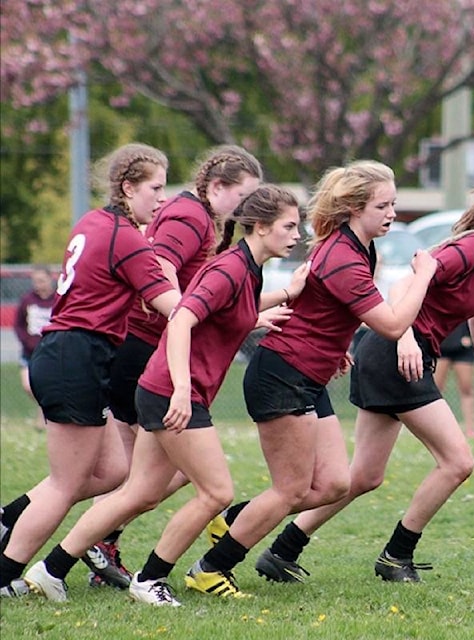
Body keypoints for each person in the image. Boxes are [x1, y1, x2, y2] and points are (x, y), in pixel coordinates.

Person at [20, 184, 307, 605]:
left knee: (139, 493)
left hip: (165, 388)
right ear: (261, 227)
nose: (297, 235)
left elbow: (219, 316)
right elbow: (180, 321)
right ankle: (150, 579)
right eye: (290, 226)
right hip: (173, 392)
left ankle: (51, 569)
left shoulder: (250, 268)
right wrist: (182, 389)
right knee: (217, 493)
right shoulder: (229, 268)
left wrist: (257, 317)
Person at [256, 178, 474, 584]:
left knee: (363, 477)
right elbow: (402, 284)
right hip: (393, 353)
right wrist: (407, 339)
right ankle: (397, 555)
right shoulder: (468, 250)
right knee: (458, 461)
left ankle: (282, 550)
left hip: (397, 356)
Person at [191, 160, 436, 589]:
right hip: (282, 375)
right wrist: (424, 277)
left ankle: (237, 520)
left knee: (335, 484)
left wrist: (337, 347)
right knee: (290, 490)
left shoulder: (359, 246)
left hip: (307, 376)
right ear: (356, 208)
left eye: (394, 203)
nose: (392, 213)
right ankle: (209, 570)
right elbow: (393, 325)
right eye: (383, 205)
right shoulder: (343, 255)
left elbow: (329, 310)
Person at [0, 143, 181, 599]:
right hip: (74, 356)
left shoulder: (94, 221)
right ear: (127, 187)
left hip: (76, 355)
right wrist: (246, 313)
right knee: (66, 484)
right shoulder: (126, 237)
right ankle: (6, 577)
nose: (162, 199)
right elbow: (177, 310)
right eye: (155, 188)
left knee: (112, 470)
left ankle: (9, 519)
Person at [81, 144, 264, 591]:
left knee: (142, 474)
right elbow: (160, 268)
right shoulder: (191, 217)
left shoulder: (204, 218)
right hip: (146, 348)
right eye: (243, 198)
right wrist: (189, 319)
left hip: (150, 347)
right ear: (217, 187)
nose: (247, 210)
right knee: (145, 474)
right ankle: (94, 539)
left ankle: (92, 540)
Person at [13, 266, 55, 432]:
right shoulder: (27, 300)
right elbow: (19, 325)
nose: (38, 285)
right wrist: (26, 341)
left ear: (50, 279)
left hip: (51, 351)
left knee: (48, 386)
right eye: (35, 281)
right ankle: (43, 410)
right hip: (30, 352)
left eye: (42, 281)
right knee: (28, 386)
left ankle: (44, 419)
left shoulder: (58, 299)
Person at [434, 322, 474, 438]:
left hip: (463, 348)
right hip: (441, 346)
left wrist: (469, 336)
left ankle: (470, 430)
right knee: (435, 390)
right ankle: (436, 429)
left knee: (466, 389)